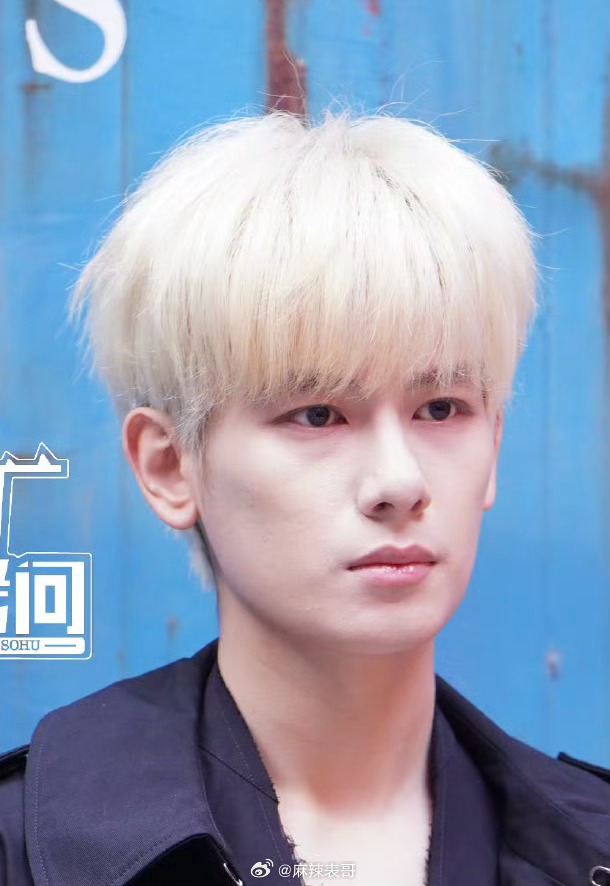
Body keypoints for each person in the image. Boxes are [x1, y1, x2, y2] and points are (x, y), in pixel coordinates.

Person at [0, 108, 608, 886]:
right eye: (318, 415)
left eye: (440, 409)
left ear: (493, 445)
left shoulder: (585, 845)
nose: (399, 482)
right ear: (170, 466)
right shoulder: (30, 851)